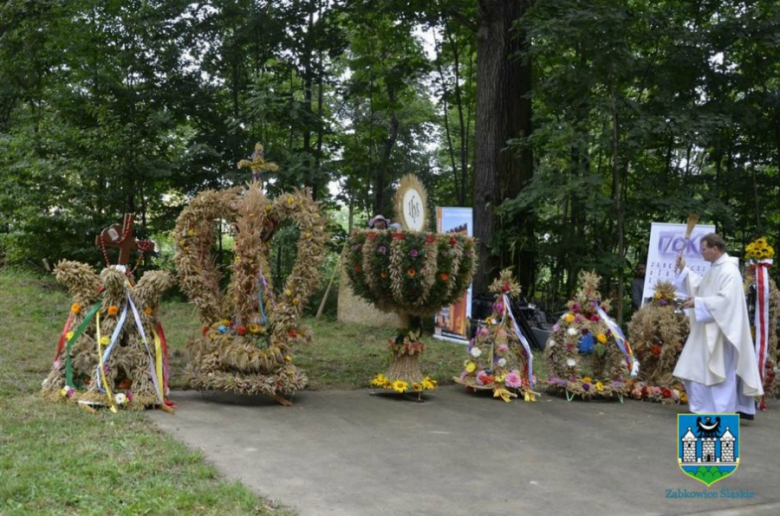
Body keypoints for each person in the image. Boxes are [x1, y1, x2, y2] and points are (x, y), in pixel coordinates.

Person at [673, 233, 763, 418]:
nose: (702, 253)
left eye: (704, 249)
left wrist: (698, 303)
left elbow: (726, 301)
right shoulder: (715, 268)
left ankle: (722, 410)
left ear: (715, 249)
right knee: (694, 367)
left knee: (719, 372)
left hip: (722, 332)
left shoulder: (729, 270)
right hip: (707, 330)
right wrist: (685, 270)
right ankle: (702, 408)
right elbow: (702, 288)